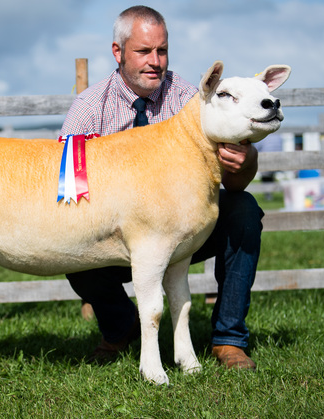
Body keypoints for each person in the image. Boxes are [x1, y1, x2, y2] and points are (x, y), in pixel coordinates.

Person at [60, 5, 262, 370]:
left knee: (244, 209)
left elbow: (232, 181)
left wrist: (247, 162)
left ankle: (228, 339)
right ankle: (120, 329)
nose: (155, 61)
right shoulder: (88, 109)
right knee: (67, 240)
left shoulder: (191, 99)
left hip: (182, 230)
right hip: (112, 239)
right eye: (143, 51)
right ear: (118, 52)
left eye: (162, 50)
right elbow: (67, 192)